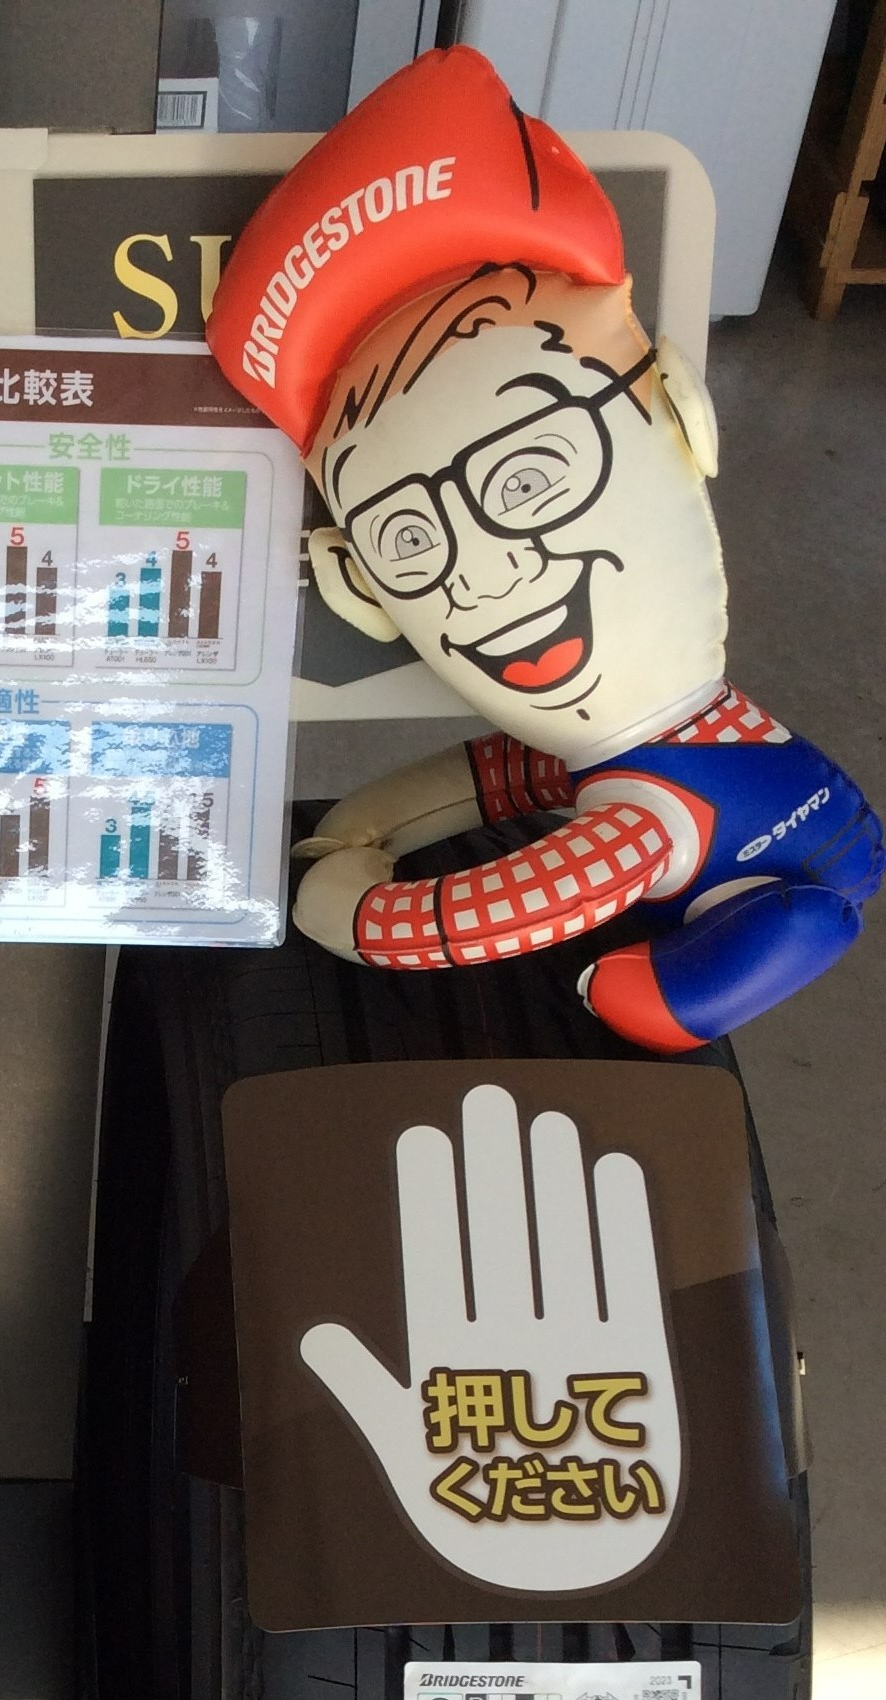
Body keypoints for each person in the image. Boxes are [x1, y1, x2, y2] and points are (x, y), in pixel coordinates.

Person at [205, 44, 881, 1051]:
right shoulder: (612, 766)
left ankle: (723, 971)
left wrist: (343, 902)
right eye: (409, 538)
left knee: (686, 978)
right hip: (742, 801)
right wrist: (365, 824)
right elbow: (515, 776)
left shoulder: (640, 821)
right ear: (360, 586)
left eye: (526, 478)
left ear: (680, 419)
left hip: (756, 894)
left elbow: (465, 919)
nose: (488, 572)